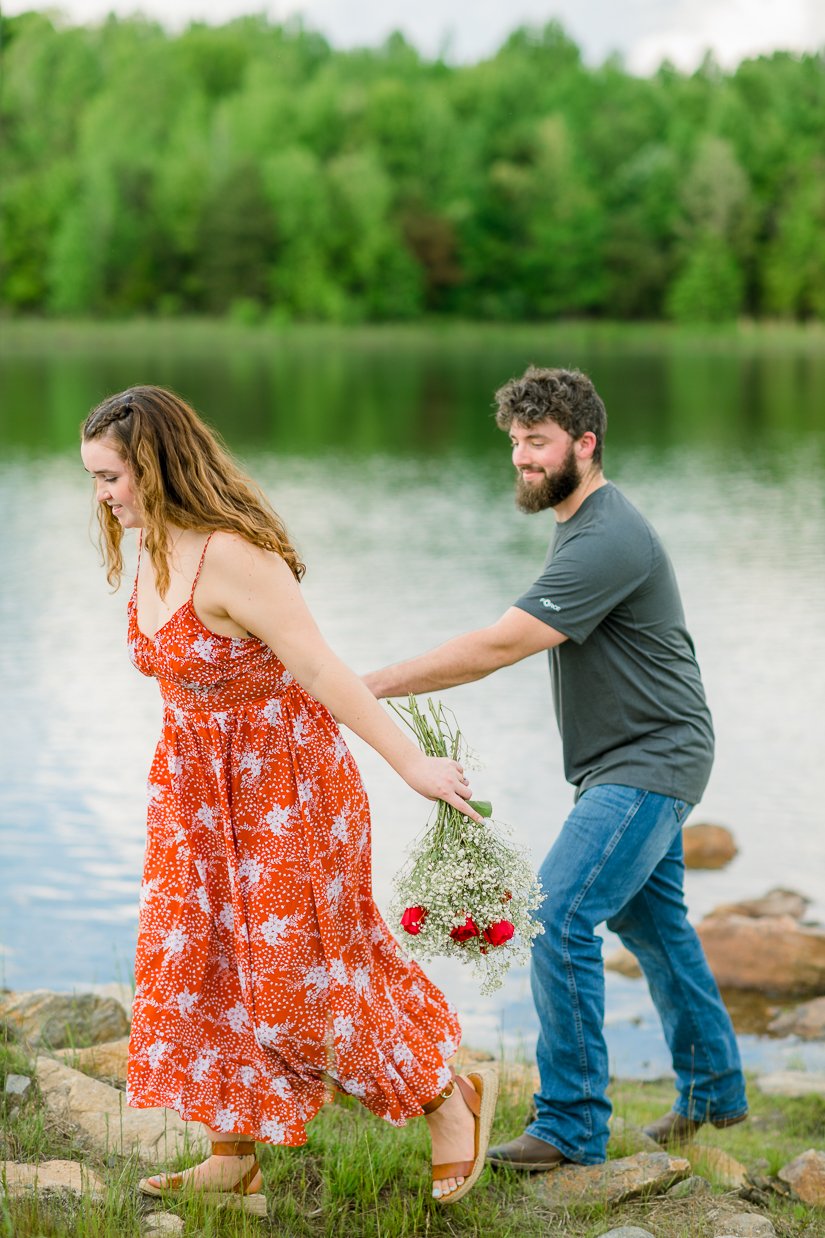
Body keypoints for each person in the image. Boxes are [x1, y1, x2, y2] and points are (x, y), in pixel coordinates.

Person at [79, 384, 498, 1212]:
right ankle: (232, 1155)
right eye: (94, 479)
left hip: (289, 792)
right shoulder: (152, 546)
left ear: (155, 468)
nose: (103, 496)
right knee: (200, 970)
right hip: (196, 797)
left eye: (111, 478)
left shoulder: (233, 554)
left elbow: (318, 671)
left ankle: (448, 1098)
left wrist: (411, 763)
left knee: (295, 986)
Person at [363, 366, 747, 1170]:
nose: (522, 460)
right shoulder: (579, 521)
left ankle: (570, 1125)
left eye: (536, 444)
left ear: (584, 443)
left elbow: (499, 646)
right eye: (514, 444)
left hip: (649, 759)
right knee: (654, 924)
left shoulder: (608, 534)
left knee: (559, 915)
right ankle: (713, 1092)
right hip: (639, 755)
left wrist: (365, 685)